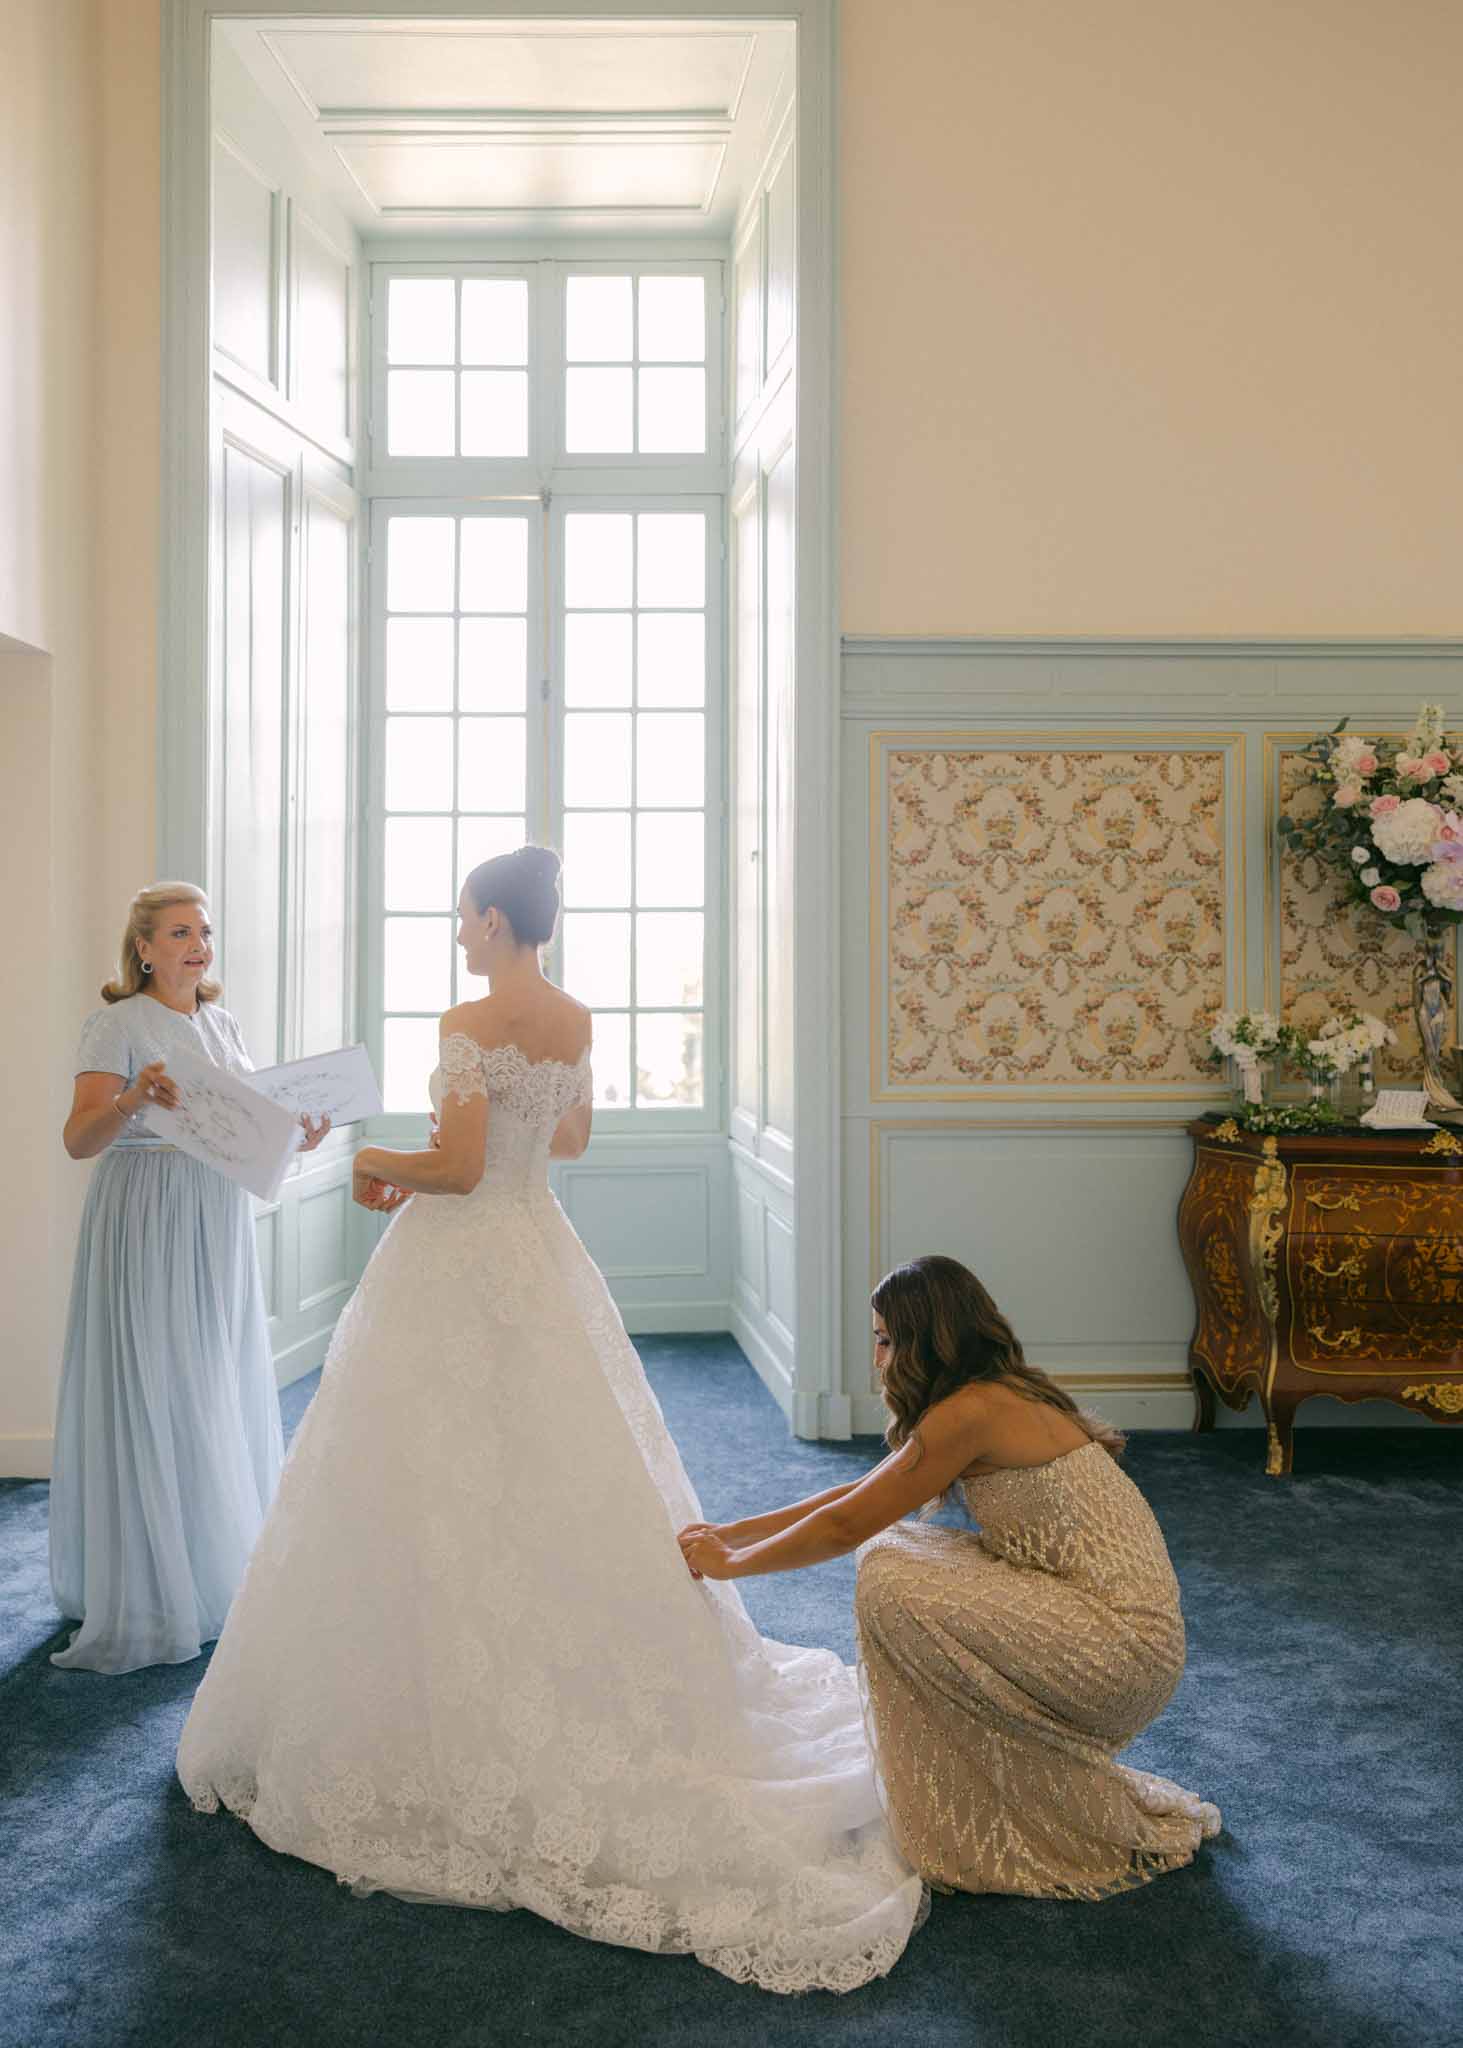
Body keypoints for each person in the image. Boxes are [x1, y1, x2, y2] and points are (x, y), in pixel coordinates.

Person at [177, 846, 925, 1995]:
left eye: (463, 916)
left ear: (492, 917)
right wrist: (463, 1146)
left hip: (459, 1259)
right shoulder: (571, 1012)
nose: (458, 934)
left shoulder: (469, 1014)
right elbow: (561, 1146)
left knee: (416, 1471)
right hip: (538, 1252)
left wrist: (369, 1157)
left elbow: (461, 1164)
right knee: (553, 1468)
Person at [678, 1255, 1220, 1901]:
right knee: (896, 1548)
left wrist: (731, 1566)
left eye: (884, 1339)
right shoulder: (1000, 1390)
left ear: (923, 1340)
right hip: (1107, 1625)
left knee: (893, 1578)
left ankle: (973, 1782)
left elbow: (844, 1526)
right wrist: (733, 1531)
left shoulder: (972, 1411)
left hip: (1115, 1652)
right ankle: (977, 1750)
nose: (876, 1357)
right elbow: (865, 1493)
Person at [52, 882, 329, 1674]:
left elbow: (244, 1131)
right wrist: (134, 1096)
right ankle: (146, 1581)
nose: (197, 945)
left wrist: (297, 1134)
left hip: (214, 1216)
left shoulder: (223, 1022)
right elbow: (78, 1139)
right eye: (179, 932)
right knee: (153, 1380)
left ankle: (211, 1565)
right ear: (142, 947)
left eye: (204, 931)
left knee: (208, 1378)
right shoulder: (115, 1024)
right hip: (145, 1210)